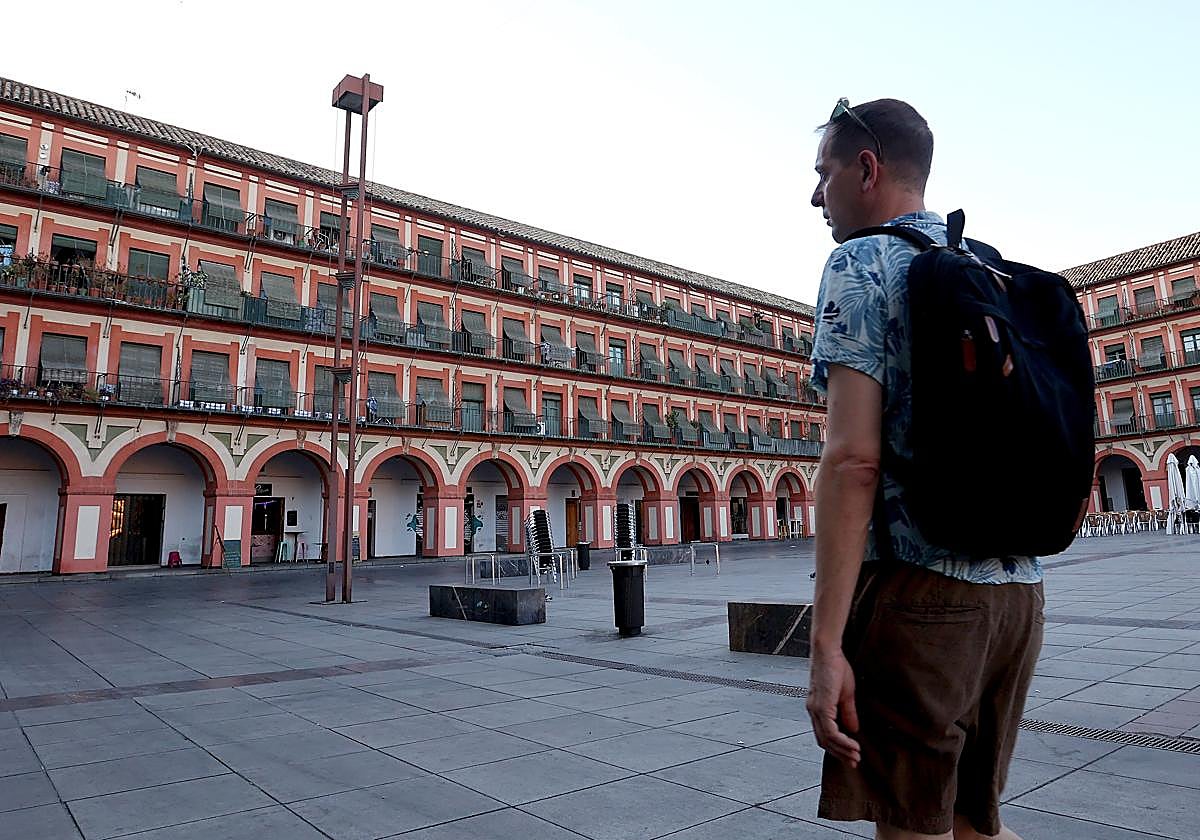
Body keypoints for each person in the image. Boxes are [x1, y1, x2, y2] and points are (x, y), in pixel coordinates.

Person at [805, 98, 1043, 840]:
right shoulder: (985, 264)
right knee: (974, 827)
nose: (815, 196)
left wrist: (825, 644)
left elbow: (853, 460)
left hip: (922, 601)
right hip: (1017, 596)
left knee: (915, 830)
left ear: (867, 169)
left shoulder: (861, 262)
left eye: (824, 173)